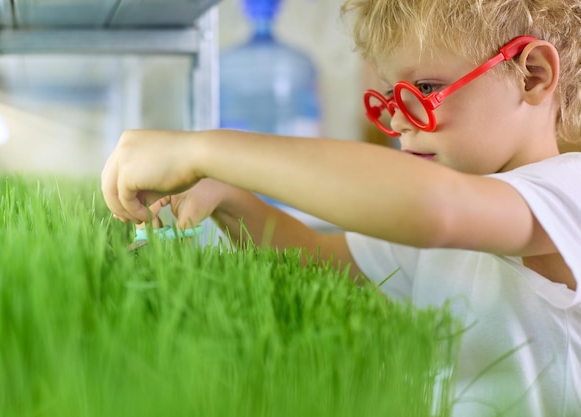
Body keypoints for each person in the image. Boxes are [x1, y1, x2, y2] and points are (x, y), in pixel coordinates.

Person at [101, 0, 581, 415]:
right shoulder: (452, 216)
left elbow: (434, 208)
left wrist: (200, 149)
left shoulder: (567, 187)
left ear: (532, 74)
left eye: (428, 89)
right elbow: (314, 256)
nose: (397, 119)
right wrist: (230, 197)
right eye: (391, 96)